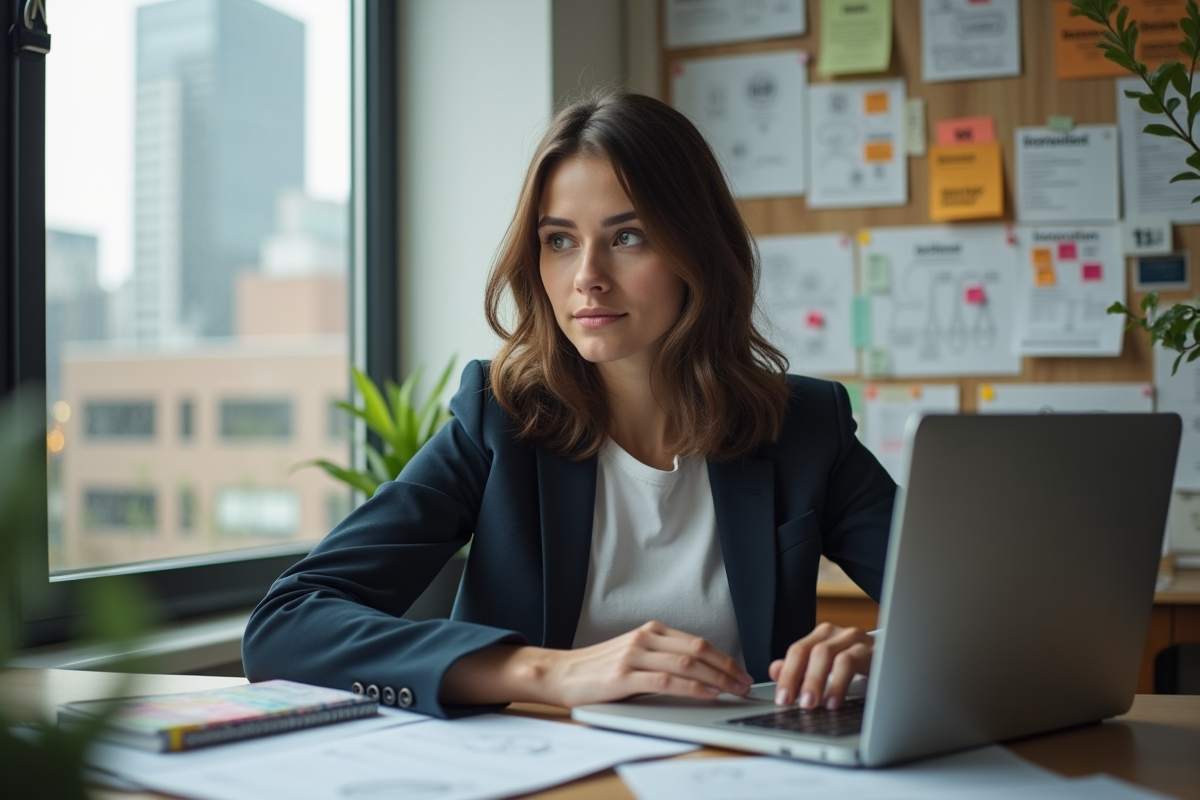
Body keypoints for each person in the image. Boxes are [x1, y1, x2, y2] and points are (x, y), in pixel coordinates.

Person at [242, 90, 896, 719]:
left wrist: (885, 651)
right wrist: (547, 672)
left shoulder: (804, 426)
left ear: (699, 247)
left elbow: (977, 616)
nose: (586, 275)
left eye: (628, 236)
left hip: (742, 774)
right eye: (559, 240)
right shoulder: (499, 420)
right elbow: (286, 624)